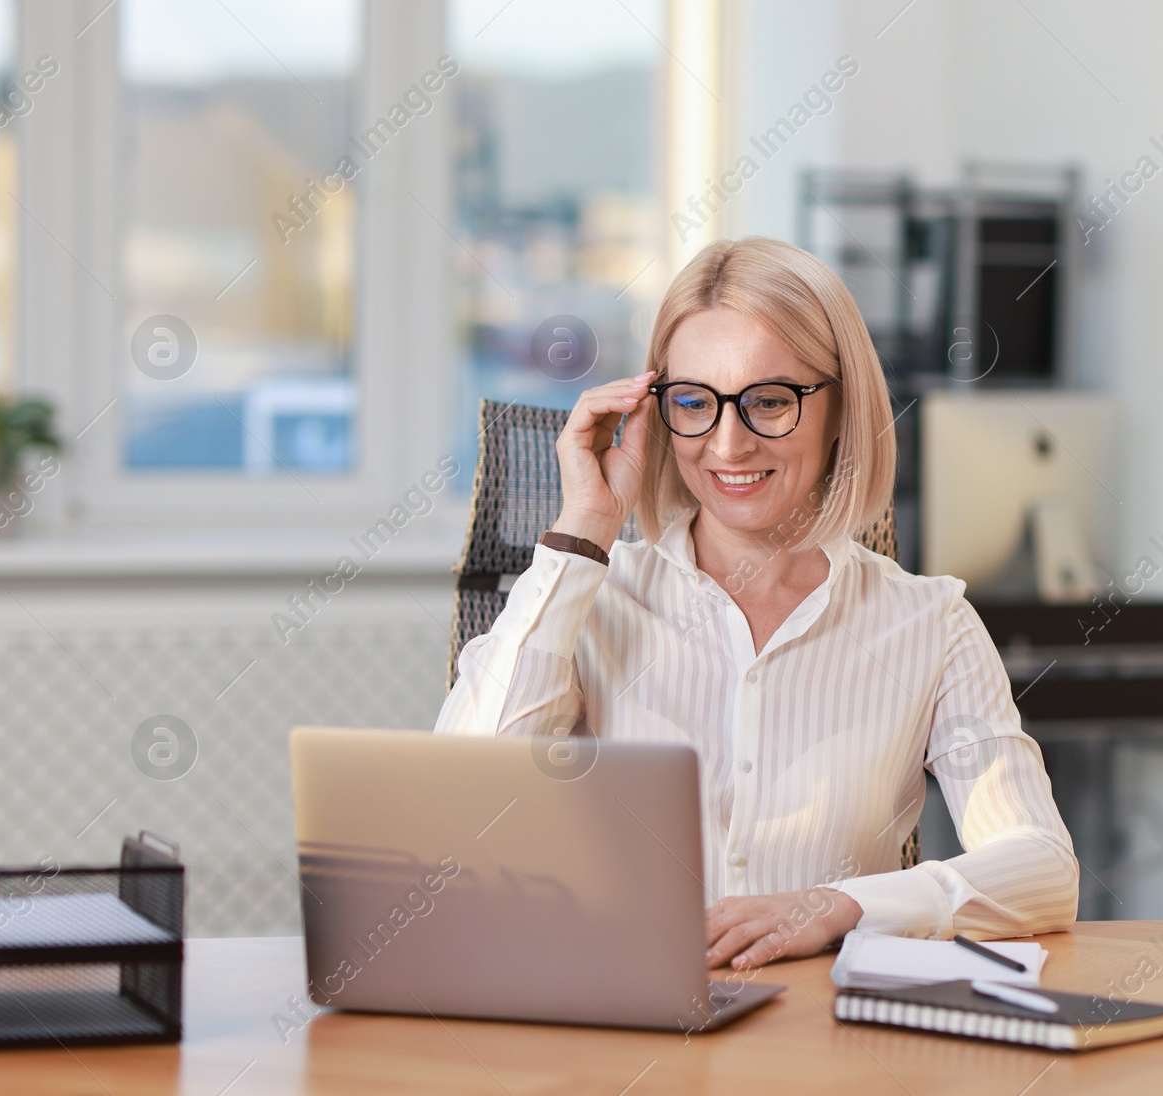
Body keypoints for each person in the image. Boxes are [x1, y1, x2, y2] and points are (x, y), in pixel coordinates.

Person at [436, 237, 1078, 970]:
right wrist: (582, 536)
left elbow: (1043, 870)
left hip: (825, 1045)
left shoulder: (929, 623)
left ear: (842, 409)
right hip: (620, 1034)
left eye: (770, 401)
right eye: (693, 403)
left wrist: (839, 906)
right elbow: (461, 816)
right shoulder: (592, 600)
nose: (728, 444)